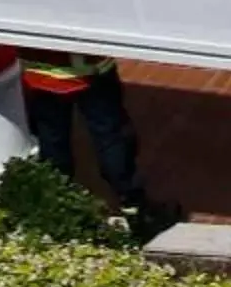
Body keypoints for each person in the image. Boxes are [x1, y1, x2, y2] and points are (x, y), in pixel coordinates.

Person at [18, 47, 172, 232]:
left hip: (39, 74)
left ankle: (58, 206)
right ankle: (134, 207)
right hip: (90, 70)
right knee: (111, 136)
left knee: (52, 140)